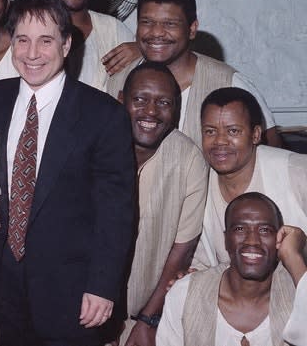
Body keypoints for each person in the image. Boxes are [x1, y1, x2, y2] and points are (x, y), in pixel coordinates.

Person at [0, 0, 135, 346]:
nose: (32, 54)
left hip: (73, 294)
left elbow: (116, 212)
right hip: (3, 284)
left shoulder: (103, 114)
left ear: (66, 44)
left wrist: (103, 287)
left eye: (46, 41)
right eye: (22, 40)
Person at [118, 0, 281, 147]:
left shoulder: (229, 82)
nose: (157, 32)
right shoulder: (119, 75)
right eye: (147, 22)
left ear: (192, 29)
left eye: (170, 24)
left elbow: (272, 148)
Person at [114, 62, 208, 346]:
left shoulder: (188, 158)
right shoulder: (94, 144)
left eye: (163, 102)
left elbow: (182, 249)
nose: (151, 112)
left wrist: (147, 319)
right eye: (140, 99)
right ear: (121, 101)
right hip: (84, 307)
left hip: (148, 310)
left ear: (176, 111)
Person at [157, 192, 307, 345]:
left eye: (264, 230)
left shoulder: (296, 291)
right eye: (240, 229)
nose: (252, 241)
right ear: (226, 239)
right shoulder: (185, 294)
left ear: (279, 238)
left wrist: (294, 257)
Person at [193, 87, 307, 269]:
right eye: (210, 131)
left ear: (255, 135)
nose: (220, 141)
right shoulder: (196, 184)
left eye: (233, 131)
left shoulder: (297, 172)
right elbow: (199, 263)